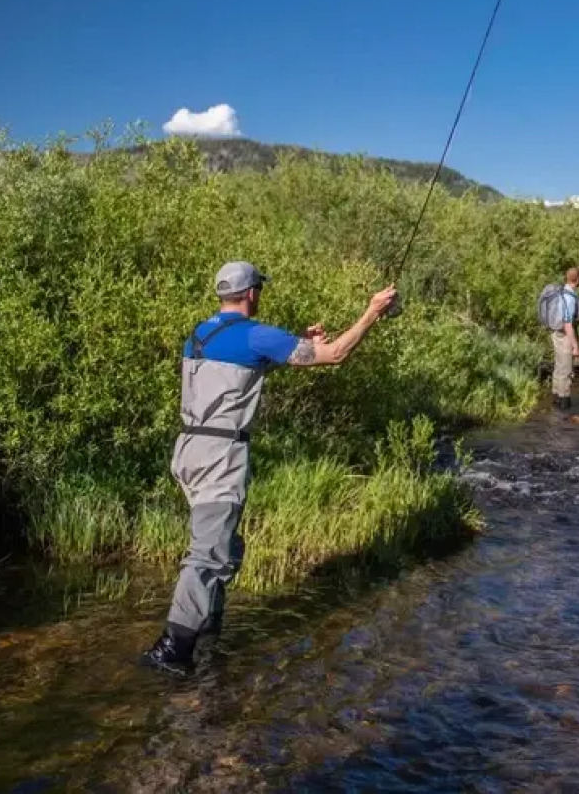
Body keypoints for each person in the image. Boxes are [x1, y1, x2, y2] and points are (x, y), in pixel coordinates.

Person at [143, 261, 398, 676]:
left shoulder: (200, 333)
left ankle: (207, 632)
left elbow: (241, 368)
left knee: (223, 546)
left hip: (188, 450)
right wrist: (372, 311)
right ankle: (174, 647)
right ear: (251, 294)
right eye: (259, 288)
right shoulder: (257, 334)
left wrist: (301, 343)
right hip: (220, 457)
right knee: (207, 556)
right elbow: (336, 355)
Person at [550, 266, 579, 411]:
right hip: (565, 335)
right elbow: (568, 324)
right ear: (577, 281)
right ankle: (564, 405)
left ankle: (556, 399)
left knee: (559, 368)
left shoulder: (559, 292)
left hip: (555, 333)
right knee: (566, 371)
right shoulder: (569, 297)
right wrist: (575, 346)